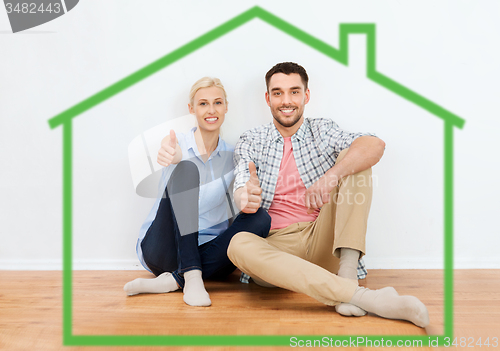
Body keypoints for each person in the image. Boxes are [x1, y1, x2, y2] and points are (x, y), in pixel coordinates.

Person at [227, 62, 429, 327]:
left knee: (355, 158)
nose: (286, 101)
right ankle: (367, 298)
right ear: (268, 98)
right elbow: (242, 176)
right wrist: (244, 195)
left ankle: (347, 272)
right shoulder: (251, 139)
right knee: (238, 244)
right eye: (277, 93)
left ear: (306, 96)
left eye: (294, 92)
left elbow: (374, 145)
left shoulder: (322, 130)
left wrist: (331, 176)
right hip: (277, 249)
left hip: (321, 237)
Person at [124, 77, 271, 307]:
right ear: (191, 109)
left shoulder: (234, 155)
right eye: (203, 104)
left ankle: (175, 280)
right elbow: (168, 148)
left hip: (209, 251)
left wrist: (246, 195)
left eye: (217, 103)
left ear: (226, 107)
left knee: (260, 218)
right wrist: (171, 156)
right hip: (163, 249)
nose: (211, 110)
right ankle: (191, 275)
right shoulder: (177, 143)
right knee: (186, 169)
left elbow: (240, 193)